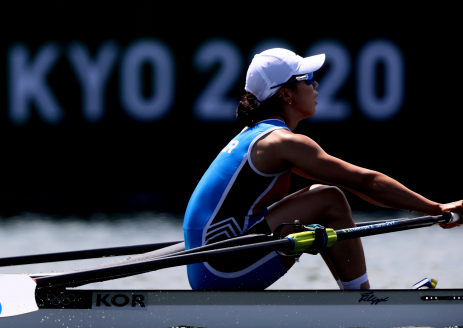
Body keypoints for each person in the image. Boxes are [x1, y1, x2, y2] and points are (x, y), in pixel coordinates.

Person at [182, 48, 462, 291]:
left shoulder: (253, 135)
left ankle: (357, 298)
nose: (316, 85)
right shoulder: (281, 143)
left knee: (322, 199)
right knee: (330, 199)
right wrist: (436, 209)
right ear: (285, 94)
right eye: (307, 79)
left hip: (209, 263)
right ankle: (362, 302)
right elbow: (366, 182)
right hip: (222, 269)